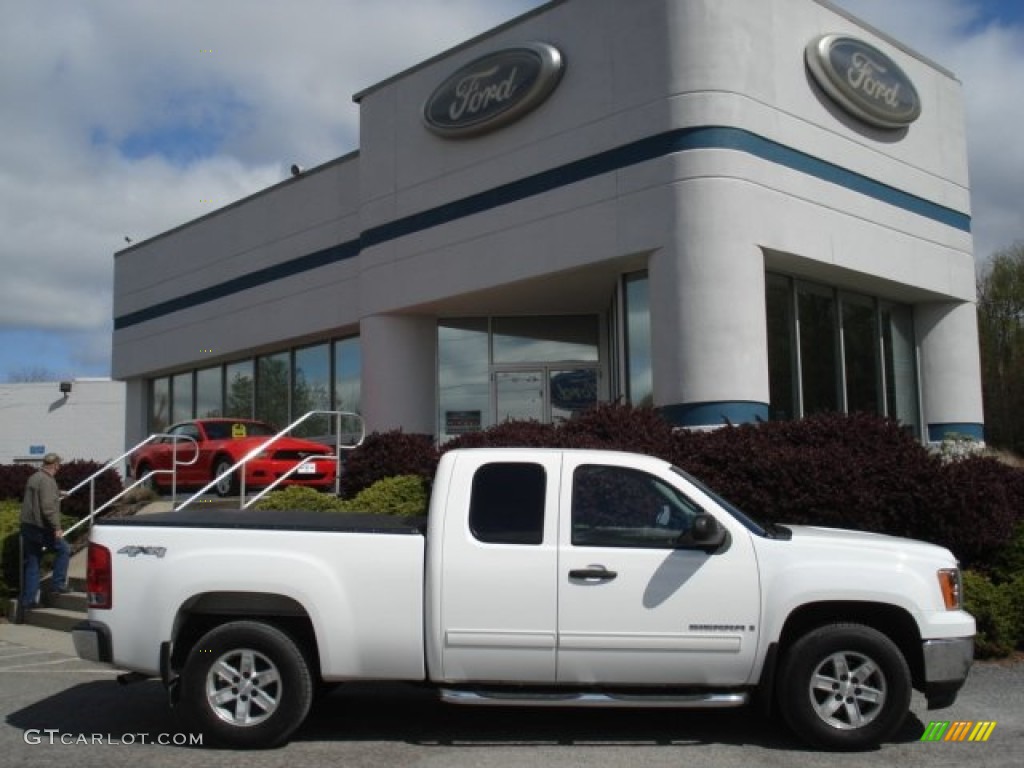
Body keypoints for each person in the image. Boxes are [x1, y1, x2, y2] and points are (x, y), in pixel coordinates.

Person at [20, 452, 71, 610]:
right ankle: (58, 585)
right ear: (55, 465)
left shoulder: (34, 477)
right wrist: (57, 527)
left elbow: (40, 496)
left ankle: (29, 601)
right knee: (64, 549)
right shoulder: (48, 481)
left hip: (27, 526)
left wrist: (58, 493)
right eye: (58, 465)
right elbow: (47, 508)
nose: (59, 468)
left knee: (33, 562)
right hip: (40, 528)